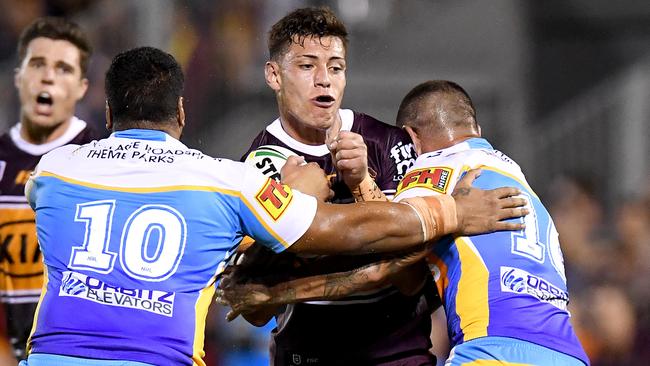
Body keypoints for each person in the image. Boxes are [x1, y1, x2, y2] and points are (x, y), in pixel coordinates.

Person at [21, 47, 526, 366]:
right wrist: (452, 213)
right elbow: (340, 229)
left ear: (108, 112)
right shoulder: (226, 180)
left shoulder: (53, 170)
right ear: (181, 111)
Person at [220, 80, 590, 365]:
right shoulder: (519, 181)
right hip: (568, 352)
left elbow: (388, 263)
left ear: (411, 137)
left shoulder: (436, 170)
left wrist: (278, 291)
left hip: (494, 351)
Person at [238, 7, 442, 365]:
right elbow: (252, 311)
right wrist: (291, 204)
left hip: (396, 355)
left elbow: (413, 279)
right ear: (274, 75)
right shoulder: (255, 168)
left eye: (335, 67)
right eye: (307, 66)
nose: (324, 80)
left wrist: (362, 183)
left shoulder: (387, 143)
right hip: (305, 356)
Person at [0, 16, 97, 361]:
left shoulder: (101, 162)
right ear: (18, 76)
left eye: (63, 68)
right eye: (37, 64)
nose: (48, 77)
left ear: (82, 87)